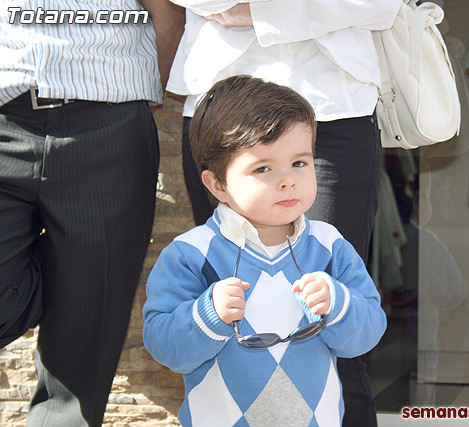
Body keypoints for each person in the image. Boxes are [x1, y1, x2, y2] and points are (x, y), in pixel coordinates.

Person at [164, 2, 402, 423]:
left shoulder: (330, 244)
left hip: (335, 101)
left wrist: (261, 10)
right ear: (216, 184)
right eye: (265, 170)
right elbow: (167, 342)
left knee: (337, 343)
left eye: (299, 165)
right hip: (223, 109)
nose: (287, 180)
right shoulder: (190, 252)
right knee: (225, 316)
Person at [0, 2, 183, 426]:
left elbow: (168, 14)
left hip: (108, 123)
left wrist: (139, 95)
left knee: (85, 343)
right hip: (5, 114)